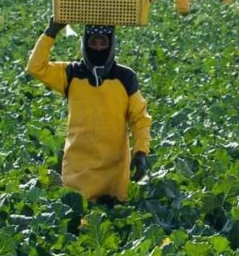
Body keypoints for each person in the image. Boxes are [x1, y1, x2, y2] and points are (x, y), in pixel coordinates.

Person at [26, 18, 152, 203]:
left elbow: (139, 119)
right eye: (93, 42)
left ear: (111, 44)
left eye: (103, 42)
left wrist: (141, 152)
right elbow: (36, 67)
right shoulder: (72, 73)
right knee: (77, 212)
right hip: (77, 172)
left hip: (114, 176)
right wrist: (51, 32)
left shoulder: (125, 77)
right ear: (85, 43)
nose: (98, 48)